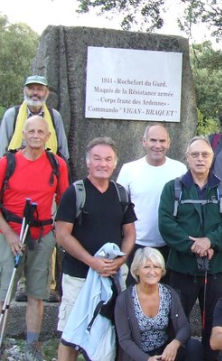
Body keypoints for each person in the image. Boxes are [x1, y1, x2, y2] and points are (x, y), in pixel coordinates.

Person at [0, 116, 69, 360]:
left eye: (41, 131)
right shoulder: (6, 163)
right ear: (23, 134)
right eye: (31, 131)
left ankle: (33, 344)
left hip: (42, 235)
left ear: (48, 136)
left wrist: (59, 234)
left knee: (37, 293)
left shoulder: (57, 164)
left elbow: (64, 201)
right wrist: (9, 234)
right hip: (10, 233)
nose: (35, 135)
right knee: (4, 292)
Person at [158, 136, 222, 360]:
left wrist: (210, 241)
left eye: (205, 154)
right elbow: (166, 224)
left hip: (215, 270)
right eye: (195, 155)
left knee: (215, 323)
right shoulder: (172, 189)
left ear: (212, 158)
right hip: (182, 269)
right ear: (187, 158)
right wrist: (193, 245)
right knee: (177, 322)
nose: (200, 159)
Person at [56, 137, 137, 361]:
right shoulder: (75, 192)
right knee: (70, 334)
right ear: (88, 162)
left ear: (115, 163)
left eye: (108, 159)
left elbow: (130, 233)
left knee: (107, 331)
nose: (103, 164)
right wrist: (91, 261)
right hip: (79, 276)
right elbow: (62, 234)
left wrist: (121, 260)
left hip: (111, 276)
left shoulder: (121, 193)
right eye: (97, 158)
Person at [117, 123, 187, 287]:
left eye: (162, 141)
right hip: (136, 244)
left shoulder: (180, 170)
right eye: (153, 140)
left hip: (170, 245)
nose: (158, 145)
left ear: (169, 143)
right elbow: (119, 209)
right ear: (144, 141)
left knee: (167, 295)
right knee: (135, 296)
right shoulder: (129, 170)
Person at [115, 247, 203, 361]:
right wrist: (146, 359)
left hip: (164, 352)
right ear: (136, 270)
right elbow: (124, 339)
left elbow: (184, 327)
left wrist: (174, 344)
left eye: (156, 267)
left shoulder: (169, 294)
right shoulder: (124, 300)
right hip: (138, 356)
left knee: (194, 347)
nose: (152, 272)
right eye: (146, 267)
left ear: (161, 271)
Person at [0, 75, 68, 160]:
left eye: (39, 89)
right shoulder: (11, 115)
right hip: (17, 169)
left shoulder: (55, 116)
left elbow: (63, 153)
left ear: (46, 93)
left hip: (47, 170)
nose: (35, 93)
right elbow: (1, 154)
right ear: (24, 91)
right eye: (31, 88)